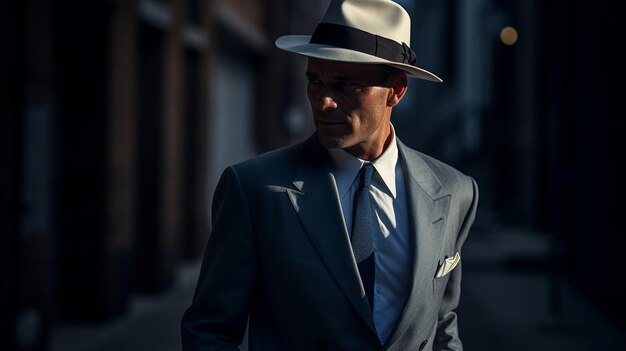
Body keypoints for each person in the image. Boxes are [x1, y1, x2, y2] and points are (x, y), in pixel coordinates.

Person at [181, 0, 478, 350]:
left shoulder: (454, 191)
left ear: (396, 90)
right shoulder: (255, 189)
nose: (323, 102)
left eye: (345, 85)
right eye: (315, 81)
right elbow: (210, 332)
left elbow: (442, 325)